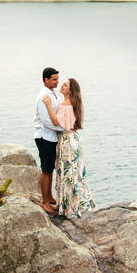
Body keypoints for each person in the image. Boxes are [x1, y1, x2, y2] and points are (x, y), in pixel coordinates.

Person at [42, 77, 96, 218]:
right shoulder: (73, 103)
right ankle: (72, 204)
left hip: (67, 141)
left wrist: (48, 105)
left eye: (65, 85)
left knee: (67, 175)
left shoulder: (65, 105)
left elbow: (56, 122)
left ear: (70, 91)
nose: (62, 85)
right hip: (74, 138)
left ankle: (68, 207)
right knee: (76, 174)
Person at [34, 67, 64, 215]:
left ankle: (50, 196)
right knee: (46, 169)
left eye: (57, 79)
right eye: (54, 79)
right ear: (46, 80)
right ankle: (44, 201)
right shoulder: (43, 96)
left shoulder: (54, 93)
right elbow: (46, 121)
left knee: (50, 168)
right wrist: (62, 127)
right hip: (44, 137)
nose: (57, 82)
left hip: (52, 137)